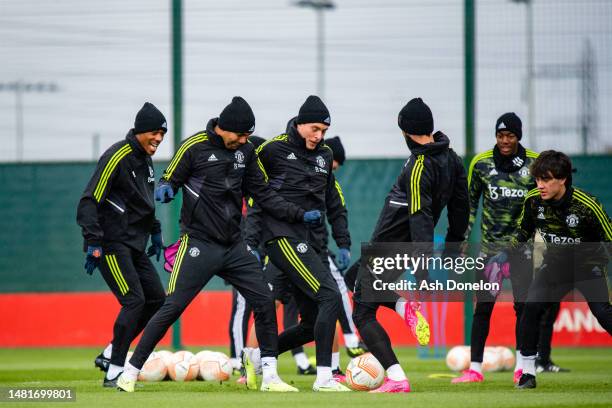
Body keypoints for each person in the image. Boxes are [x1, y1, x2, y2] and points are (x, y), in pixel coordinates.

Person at [116, 96, 322, 393]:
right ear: (224, 128)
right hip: (199, 244)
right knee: (172, 306)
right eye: (240, 135)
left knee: (264, 301)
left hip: (235, 247)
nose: (243, 140)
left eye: (248, 136)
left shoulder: (246, 152)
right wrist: (166, 189)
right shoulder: (194, 146)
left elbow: (263, 194)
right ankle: (130, 372)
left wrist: (298, 214)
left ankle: (271, 378)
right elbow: (170, 178)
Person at [351, 97, 469, 393]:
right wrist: (454, 247)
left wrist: (421, 270)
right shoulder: (452, 159)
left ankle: (396, 378)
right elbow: (460, 208)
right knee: (350, 276)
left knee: (362, 313)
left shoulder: (419, 164)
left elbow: (420, 218)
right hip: (398, 249)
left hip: (390, 247)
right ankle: (404, 307)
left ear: (405, 131)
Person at [242, 95, 351, 392]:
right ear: (300, 123)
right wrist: (251, 242)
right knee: (329, 296)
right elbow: (256, 197)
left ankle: (255, 358)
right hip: (281, 238)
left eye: (324, 131)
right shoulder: (272, 150)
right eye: (314, 128)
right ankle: (325, 378)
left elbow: (334, 204)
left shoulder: (325, 156)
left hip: (311, 244)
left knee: (310, 322)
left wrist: (343, 244)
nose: (319, 136)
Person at [451, 113, 566, 384]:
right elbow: (469, 206)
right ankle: (475, 369)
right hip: (490, 252)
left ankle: (522, 367)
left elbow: (547, 204)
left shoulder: (534, 164)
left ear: (519, 137)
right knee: (483, 309)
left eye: (510, 136)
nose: (505, 141)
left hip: (522, 250)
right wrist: (463, 239)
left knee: (523, 308)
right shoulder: (481, 164)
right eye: (501, 136)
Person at [76, 102, 168, 387]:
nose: (159, 139)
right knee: (134, 300)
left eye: (162, 134)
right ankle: (115, 370)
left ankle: (108, 353)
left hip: (134, 244)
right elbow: (89, 200)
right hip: (110, 243)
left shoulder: (146, 160)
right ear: (140, 131)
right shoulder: (117, 156)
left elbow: (143, 204)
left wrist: (155, 232)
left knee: (156, 300)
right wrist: (93, 241)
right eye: (154, 132)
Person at [507, 150, 612, 389]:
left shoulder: (587, 205)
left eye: (546, 179)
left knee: (603, 313)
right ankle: (528, 373)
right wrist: (503, 253)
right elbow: (522, 232)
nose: (540, 185)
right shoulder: (533, 200)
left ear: (562, 179)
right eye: (537, 179)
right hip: (554, 266)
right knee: (529, 309)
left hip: (588, 267)